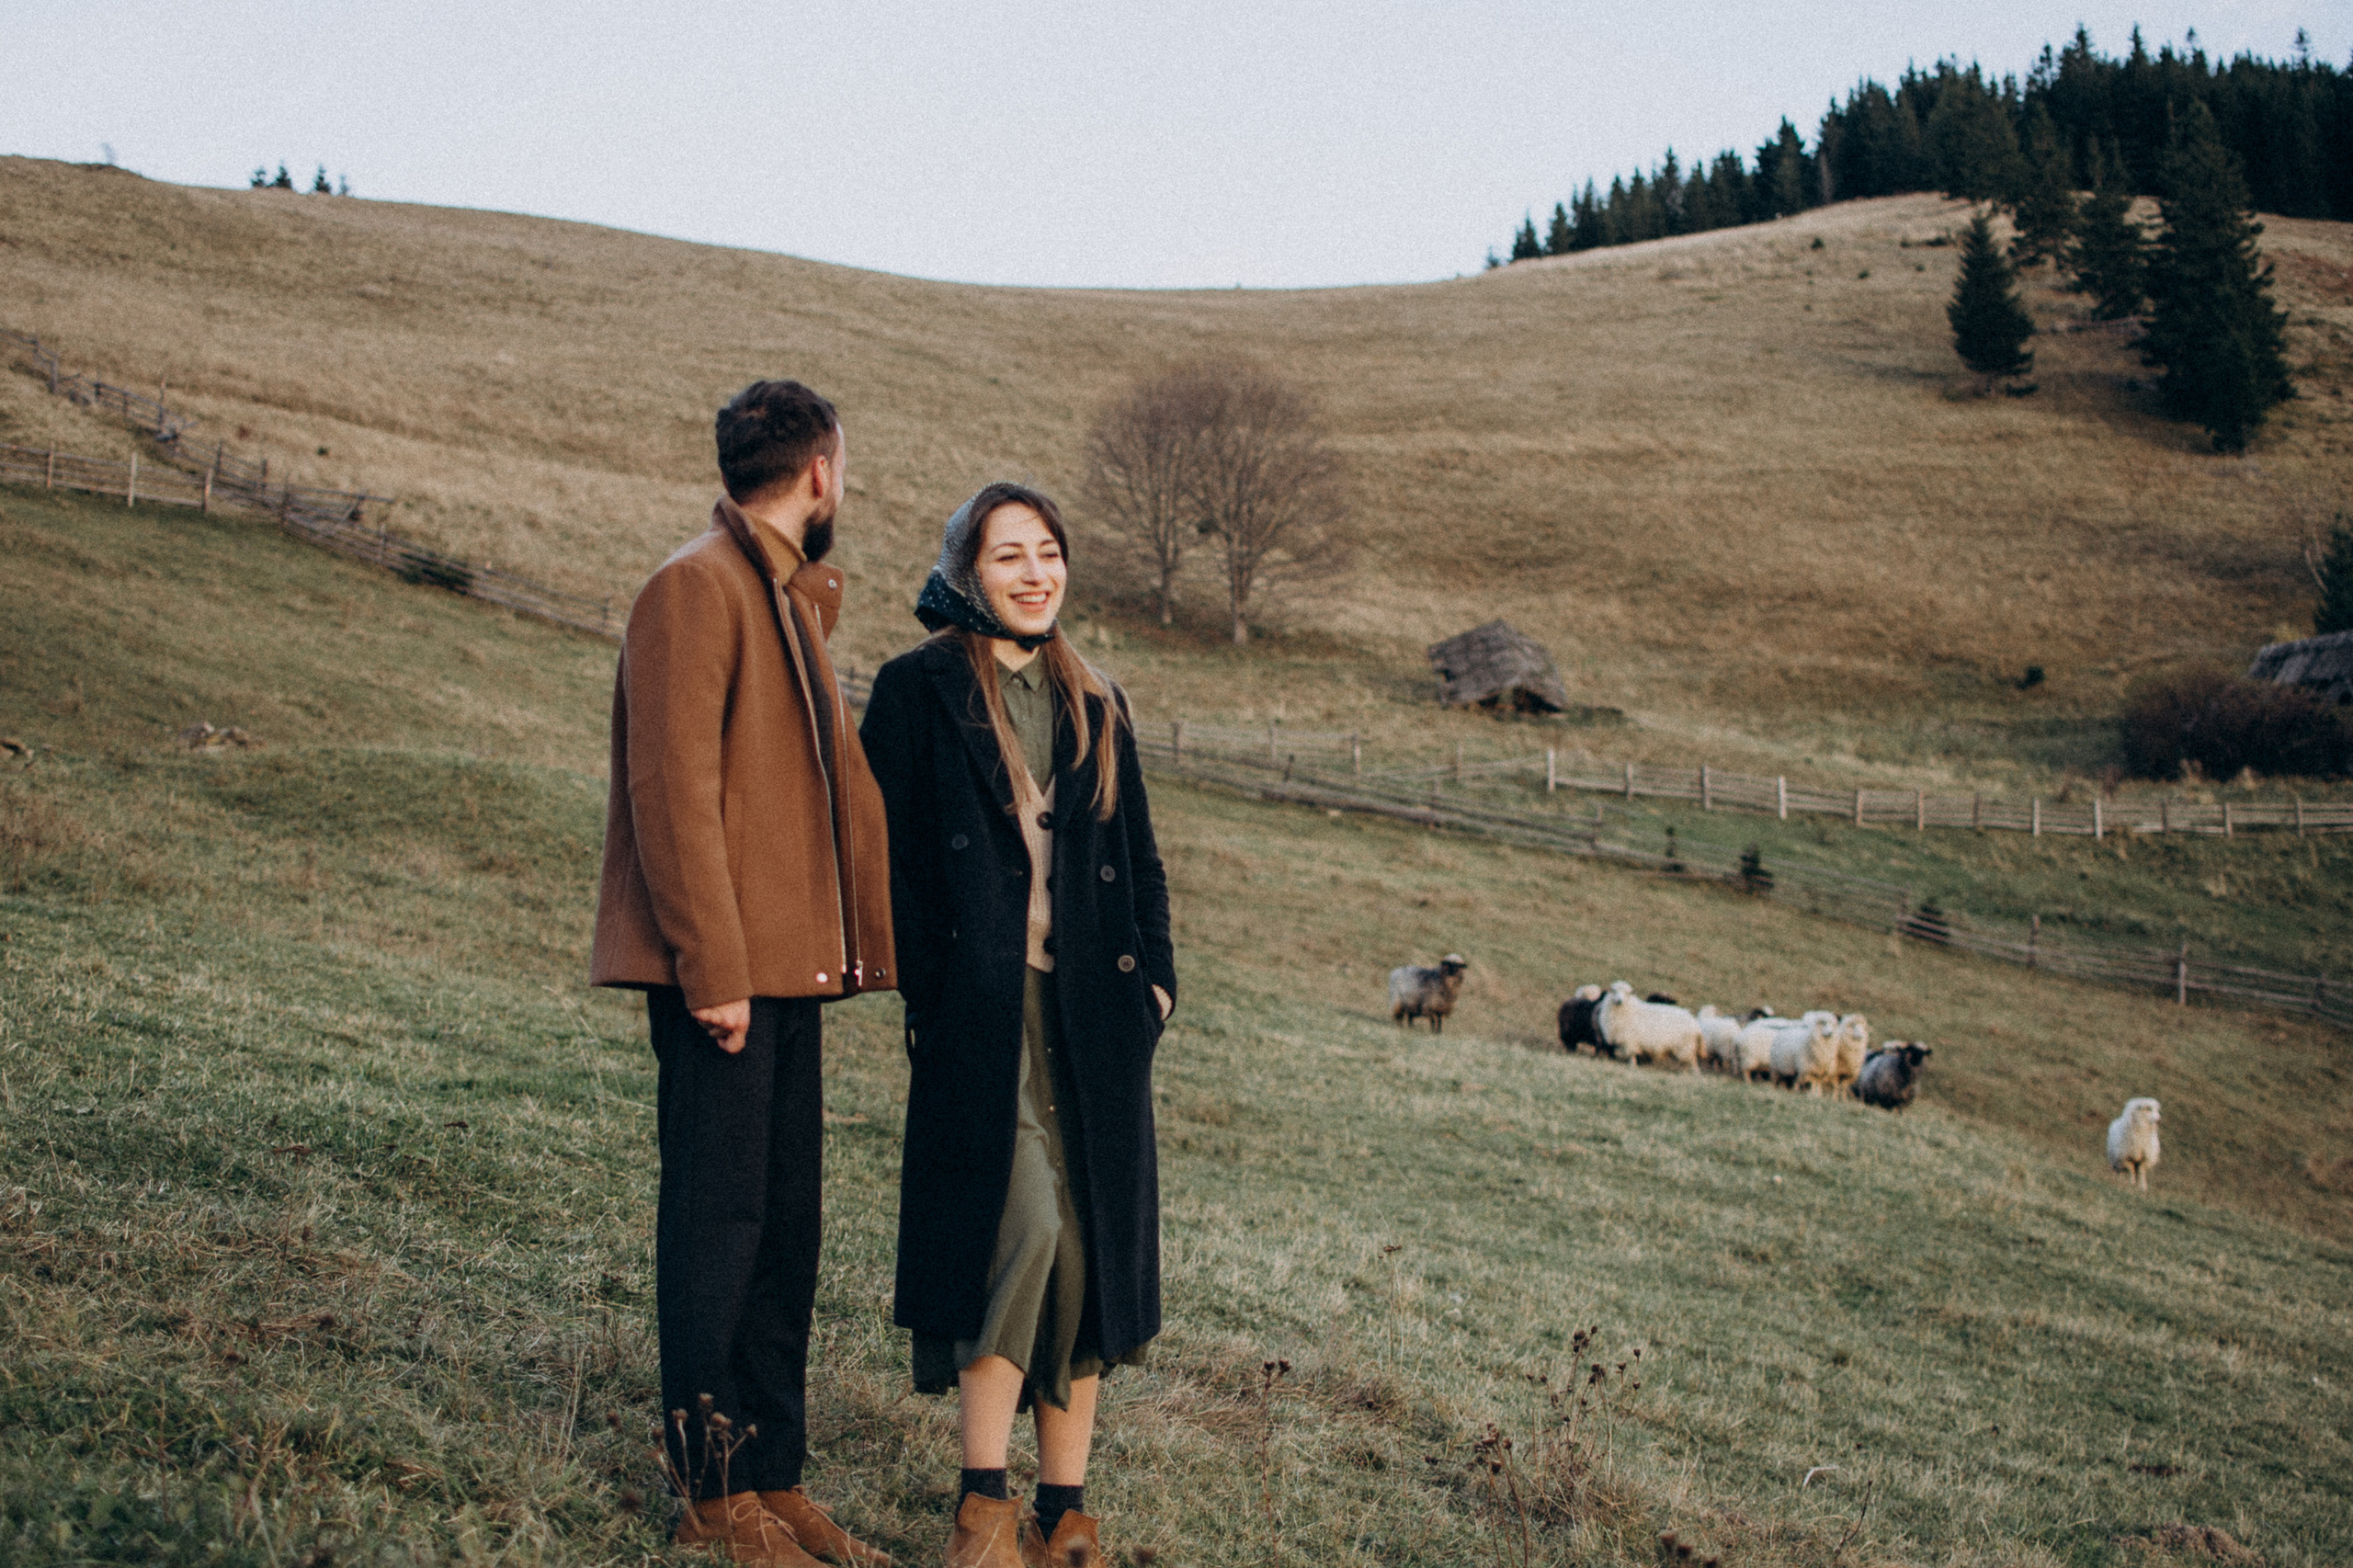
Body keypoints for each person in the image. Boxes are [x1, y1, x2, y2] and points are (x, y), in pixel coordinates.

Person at [591, 380, 896, 1568]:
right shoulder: (696, 586)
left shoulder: (783, 595)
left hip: (790, 971)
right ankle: (712, 1496)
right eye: (843, 467)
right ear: (821, 470)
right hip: (724, 977)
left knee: (784, 1231)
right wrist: (711, 968)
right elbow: (671, 789)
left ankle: (774, 1475)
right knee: (717, 1227)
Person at [858, 483, 1176, 1568]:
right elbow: (883, 852)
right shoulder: (917, 690)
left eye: (1048, 551)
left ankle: (1065, 1511)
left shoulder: (1097, 698)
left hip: (1095, 1021)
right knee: (1025, 1227)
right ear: (966, 572)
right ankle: (981, 1505)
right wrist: (929, 980)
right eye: (1009, 555)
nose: (1036, 573)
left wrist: (1157, 987)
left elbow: (1140, 863)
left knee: (1084, 1248)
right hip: (982, 1017)